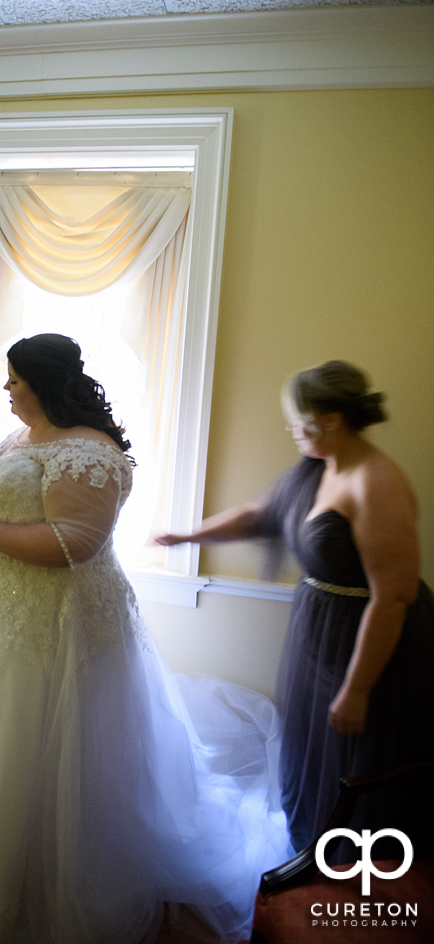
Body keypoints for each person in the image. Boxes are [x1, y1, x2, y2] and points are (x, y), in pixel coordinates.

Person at [0, 333, 291, 944]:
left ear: (43, 383)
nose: (6, 389)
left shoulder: (92, 451)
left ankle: (41, 883)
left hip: (56, 622)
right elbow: (13, 487)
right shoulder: (27, 437)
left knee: (44, 748)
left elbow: (69, 543)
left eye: (14, 380)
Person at [156, 360, 434, 856]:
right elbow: (260, 516)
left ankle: (355, 871)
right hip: (319, 633)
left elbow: (393, 596)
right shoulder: (317, 469)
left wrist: (357, 689)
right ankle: (312, 846)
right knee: (312, 749)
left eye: (298, 417)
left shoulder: (376, 481)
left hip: (369, 648)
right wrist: (186, 535)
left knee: (356, 754)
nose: (290, 428)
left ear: (330, 419)